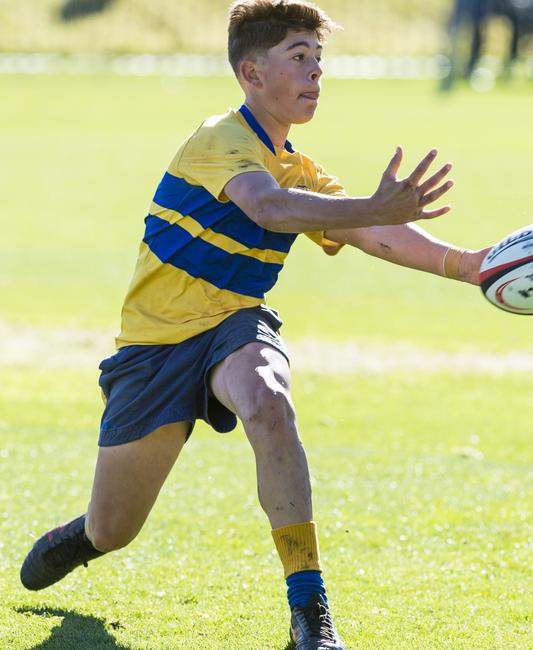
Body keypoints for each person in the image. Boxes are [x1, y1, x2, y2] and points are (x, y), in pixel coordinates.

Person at [20, 1, 491, 648]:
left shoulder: (300, 169)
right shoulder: (219, 139)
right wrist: (368, 203)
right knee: (114, 528)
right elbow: (266, 207)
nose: (317, 74)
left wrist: (466, 265)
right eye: (300, 58)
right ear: (251, 72)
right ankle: (82, 536)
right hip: (154, 348)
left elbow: (366, 230)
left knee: (269, 401)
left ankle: (309, 613)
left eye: (319, 60)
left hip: (233, 327)